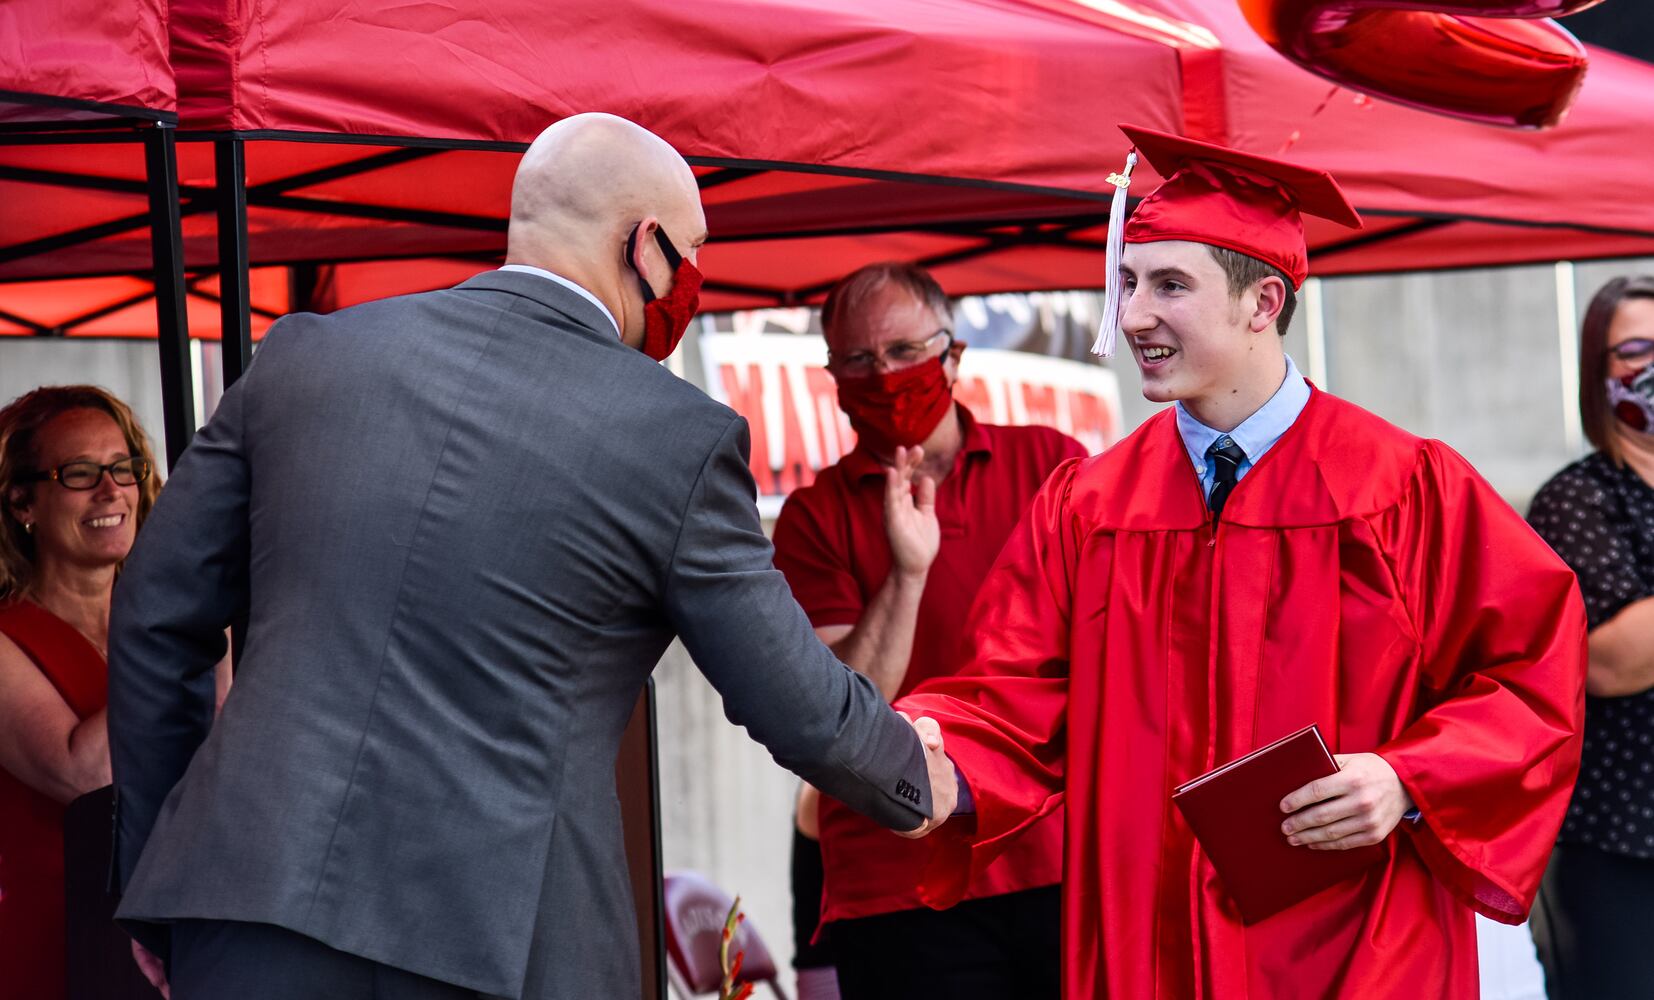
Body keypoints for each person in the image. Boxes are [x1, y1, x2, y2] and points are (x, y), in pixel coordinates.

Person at [105, 112, 955, 1000]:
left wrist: (157, 875)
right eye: (694, 255)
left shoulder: (305, 356)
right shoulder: (672, 433)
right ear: (646, 244)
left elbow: (155, 612)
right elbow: (794, 698)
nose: (693, 283)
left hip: (242, 910)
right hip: (497, 942)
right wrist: (916, 779)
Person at [897, 125, 1588, 998]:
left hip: (1357, 942)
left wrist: (1406, 776)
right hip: (1151, 943)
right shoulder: (1090, 508)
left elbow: (1531, 676)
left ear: (1264, 302)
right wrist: (933, 750)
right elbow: (1010, 696)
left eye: (1169, 285)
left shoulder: (1404, 488)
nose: (1132, 315)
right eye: (1128, 282)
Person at [774, 263, 1082, 999]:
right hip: (896, 884)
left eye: (905, 352)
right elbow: (843, 712)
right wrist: (908, 574)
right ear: (833, 375)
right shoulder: (814, 519)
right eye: (858, 359)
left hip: (1060, 857)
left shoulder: (1054, 466)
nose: (884, 376)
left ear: (953, 355)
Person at [0, 385, 162, 999]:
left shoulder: (164, 621)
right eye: (80, 473)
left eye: (123, 468)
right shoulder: (6, 637)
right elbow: (87, 777)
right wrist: (175, 637)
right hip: (57, 943)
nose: (111, 490)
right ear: (22, 500)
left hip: (171, 927)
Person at [1526, 275, 1654, 999]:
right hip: (1621, 843)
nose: (1651, 368)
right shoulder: (1578, 499)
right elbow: (1611, 662)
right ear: (1596, 372)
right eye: (1632, 351)